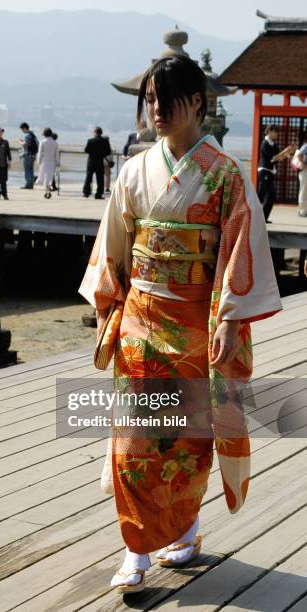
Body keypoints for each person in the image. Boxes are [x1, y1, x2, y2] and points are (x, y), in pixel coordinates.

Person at [79, 55, 282, 594]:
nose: (155, 111)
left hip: (195, 325)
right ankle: (136, 551)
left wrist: (229, 318)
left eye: (165, 100)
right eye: (149, 101)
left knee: (187, 442)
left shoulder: (224, 175)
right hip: (141, 323)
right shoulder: (135, 171)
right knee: (134, 441)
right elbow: (114, 250)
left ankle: (186, 529)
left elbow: (241, 253)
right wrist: (108, 307)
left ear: (196, 102)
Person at [257, 124, 296, 222]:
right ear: (269, 131)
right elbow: (274, 157)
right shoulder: (265, 143)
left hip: (270, 171)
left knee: (262, 195)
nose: (277, 134)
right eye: (275, 131)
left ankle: (261, 217)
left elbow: (280, 157)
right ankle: (259, 217)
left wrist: (290, 152)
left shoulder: (273, 144)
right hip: (264, 171)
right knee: (269, 194)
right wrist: (286, 150)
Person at [83, 126, 111, 199]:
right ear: (101, 133)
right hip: (100, 161)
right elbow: (108, 151)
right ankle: (98, 194)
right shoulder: (105, 141)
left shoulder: (90, 140)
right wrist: (101, 154)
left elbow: (86, 150)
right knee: (100, 179)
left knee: (88, 177)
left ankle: (86, 192)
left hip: (91, 161)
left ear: (95, 132)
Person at [36, 127, 60, 199]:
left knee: (44, 176)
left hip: (44, 161)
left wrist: (38, 161)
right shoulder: (55, 143)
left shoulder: (42, 142)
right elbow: (57, 154)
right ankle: (47, 190)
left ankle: (47, 191)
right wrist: (58, 162)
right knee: (49, 176)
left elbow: (40, 153)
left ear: (44, 134)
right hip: (52, 161)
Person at [19, 122, 39, 189]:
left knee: (27, 170)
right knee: (31, 169)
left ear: (24, 128)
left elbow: (25, 145)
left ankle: (28, 184)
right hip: (33, 155)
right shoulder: (33, 135)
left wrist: (20, 142)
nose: (22, 131)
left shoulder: (28, 135)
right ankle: (31, 184)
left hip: (28, 155)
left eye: (22, 130)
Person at [296, 131, 307, 217]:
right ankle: (302, 211)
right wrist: (303, 164)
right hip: (304, 171)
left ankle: (304, 210)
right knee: (303, 191)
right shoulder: (306, 145)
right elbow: (299, 155)